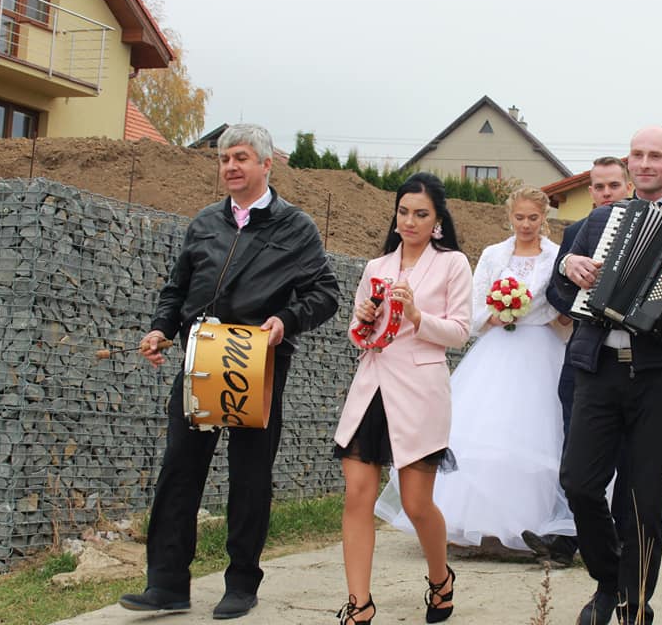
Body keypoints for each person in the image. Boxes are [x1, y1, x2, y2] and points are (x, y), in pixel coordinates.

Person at [118, 124, 340, 619]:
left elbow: (325, 293)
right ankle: (166, 584)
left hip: (255, 361)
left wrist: (286, 320)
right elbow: (176, 290)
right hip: (201, 358)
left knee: (249, 473)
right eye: (223, 159)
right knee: (179, 468)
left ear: (266, 164)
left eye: (241, 157)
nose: (231, 166)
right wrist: (160, 328)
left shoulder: (295, 227)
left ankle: (241, 583)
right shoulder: (204, 223)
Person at [555, 126, 662, 625]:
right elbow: (557, 290)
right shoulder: (598, 220)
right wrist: (569, 268)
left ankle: (633, 603)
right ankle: (609, 580)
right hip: (598, 368)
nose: (646, 163)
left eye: (657, 155)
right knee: (579, 483)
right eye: (638, 154)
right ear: (629, 162)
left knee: (643, 497)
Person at [378, 186, 574, 556]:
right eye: (519, 217)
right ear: (509, 216)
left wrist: (533, 312)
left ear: (544, 217)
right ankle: (471, 525)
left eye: (533, 218)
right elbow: (472, 302)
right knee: (485, 429)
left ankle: (529, 525)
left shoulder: (555, 256)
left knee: (534, 435)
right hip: (498, 348)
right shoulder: (493, 254)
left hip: (541, 347)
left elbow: (560, 303)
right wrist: (495, 315)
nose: (526, 224)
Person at [334, 172, 472, 624]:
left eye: (421, 214)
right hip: (371, 389)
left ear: (437, 221)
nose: (409, 221)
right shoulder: (377, 266)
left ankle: (441, 579)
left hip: (420, 393)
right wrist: (363, 318)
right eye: (403, 212)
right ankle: (359, 604)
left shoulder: (453, 264)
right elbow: (359, 335)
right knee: (357, 495)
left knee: (416, 504)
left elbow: (460, 331)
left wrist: (416, 314)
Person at [524, 157, 632, 565]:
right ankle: (565, 538)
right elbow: (556, 288)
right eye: (599, 187)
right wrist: (576, 304)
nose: (606, 193)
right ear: (589, 192)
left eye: (613, 185)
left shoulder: (645, 228)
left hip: (630, 360)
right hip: (584, 355)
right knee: (575, 450)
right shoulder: (575, 231)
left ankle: (617, 538)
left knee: (623, 457)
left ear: (628, 187)